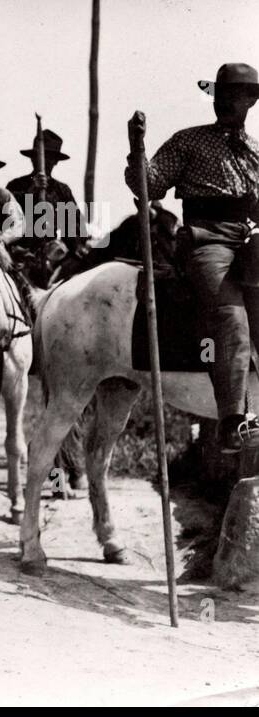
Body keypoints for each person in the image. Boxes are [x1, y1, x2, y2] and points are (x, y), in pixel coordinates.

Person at [129, 62, 259, 452]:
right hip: (207, 240)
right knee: (231, 317)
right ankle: (231, 421)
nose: (226, 103)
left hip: (250, 238)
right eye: (220, 95)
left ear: (250, 101)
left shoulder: (255, 151)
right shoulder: (188, 141)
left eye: (235, 96)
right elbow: (148, 187)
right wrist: (137, 152)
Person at [6, 129, 90, 285]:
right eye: (40, 157)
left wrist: (74, 246)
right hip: (21, 255)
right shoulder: (16, 186)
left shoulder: (62, 190)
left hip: (53, 257)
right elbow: (7, 219)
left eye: (50, 158)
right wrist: (32, 191)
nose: (45, 162)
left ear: (56, 161)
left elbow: (75, 227)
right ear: (32, 159)